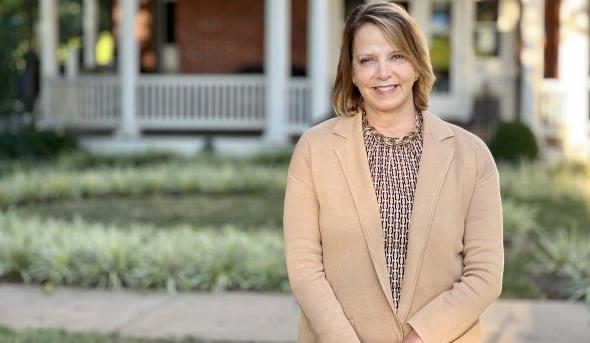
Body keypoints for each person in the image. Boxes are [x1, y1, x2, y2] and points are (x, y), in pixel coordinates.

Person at [283, 3, 504, 343]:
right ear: (352, 73)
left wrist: (421, 338)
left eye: (397, 56)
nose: (382, 72)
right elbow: (304, 268)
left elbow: (485, 274)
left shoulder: (471, 156)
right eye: (367, 60)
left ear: (417, 65)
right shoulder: (315, 150)